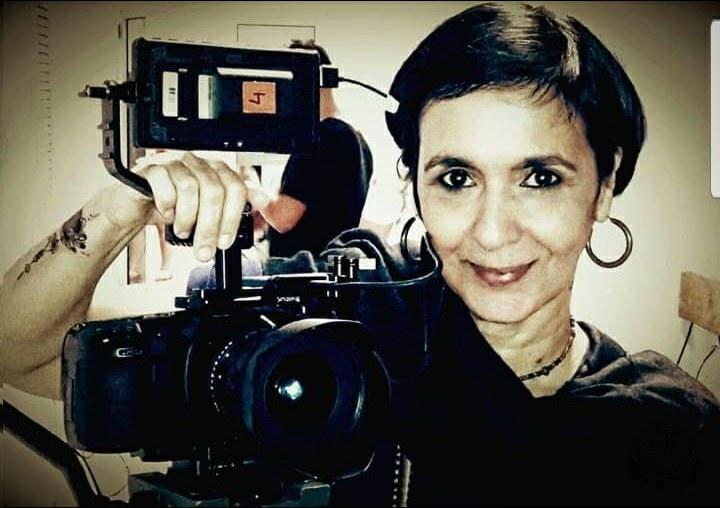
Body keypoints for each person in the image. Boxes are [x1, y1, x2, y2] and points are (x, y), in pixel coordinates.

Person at [1, 3, 718, 506]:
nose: (493, 232)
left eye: (540, 178)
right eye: (456, 179)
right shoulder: (339, 327)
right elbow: (21, 353)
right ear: (415, 184)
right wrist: (121, 207)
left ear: (604, 186)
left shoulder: (668, 433)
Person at [263, 39, 374, 258]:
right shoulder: (357, 140)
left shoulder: (323, 136)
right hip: (325, 267)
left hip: (303, 269)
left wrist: (248, 182)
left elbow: (283, 218)